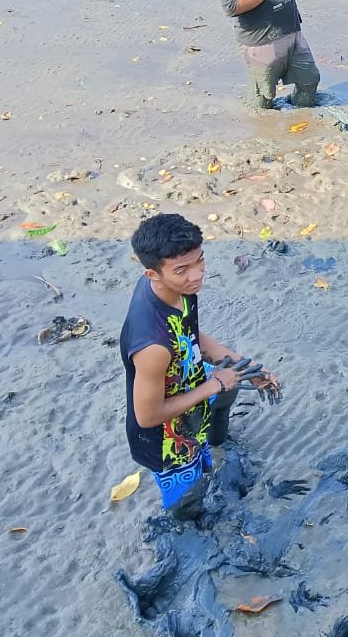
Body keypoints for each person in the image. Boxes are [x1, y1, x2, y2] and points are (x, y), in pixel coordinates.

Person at [121, 214, 281, 515]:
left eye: (200, 261)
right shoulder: (152, 346)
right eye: (182, 270)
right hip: (166, 440)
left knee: (228, 391)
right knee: (187, 500)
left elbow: (192, 334)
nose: (196, 276)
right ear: (152, 274)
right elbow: (148, 416)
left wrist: (249, 367)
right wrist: (215, 384)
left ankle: (216, 440)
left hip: (190, 381)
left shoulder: (178, 290)